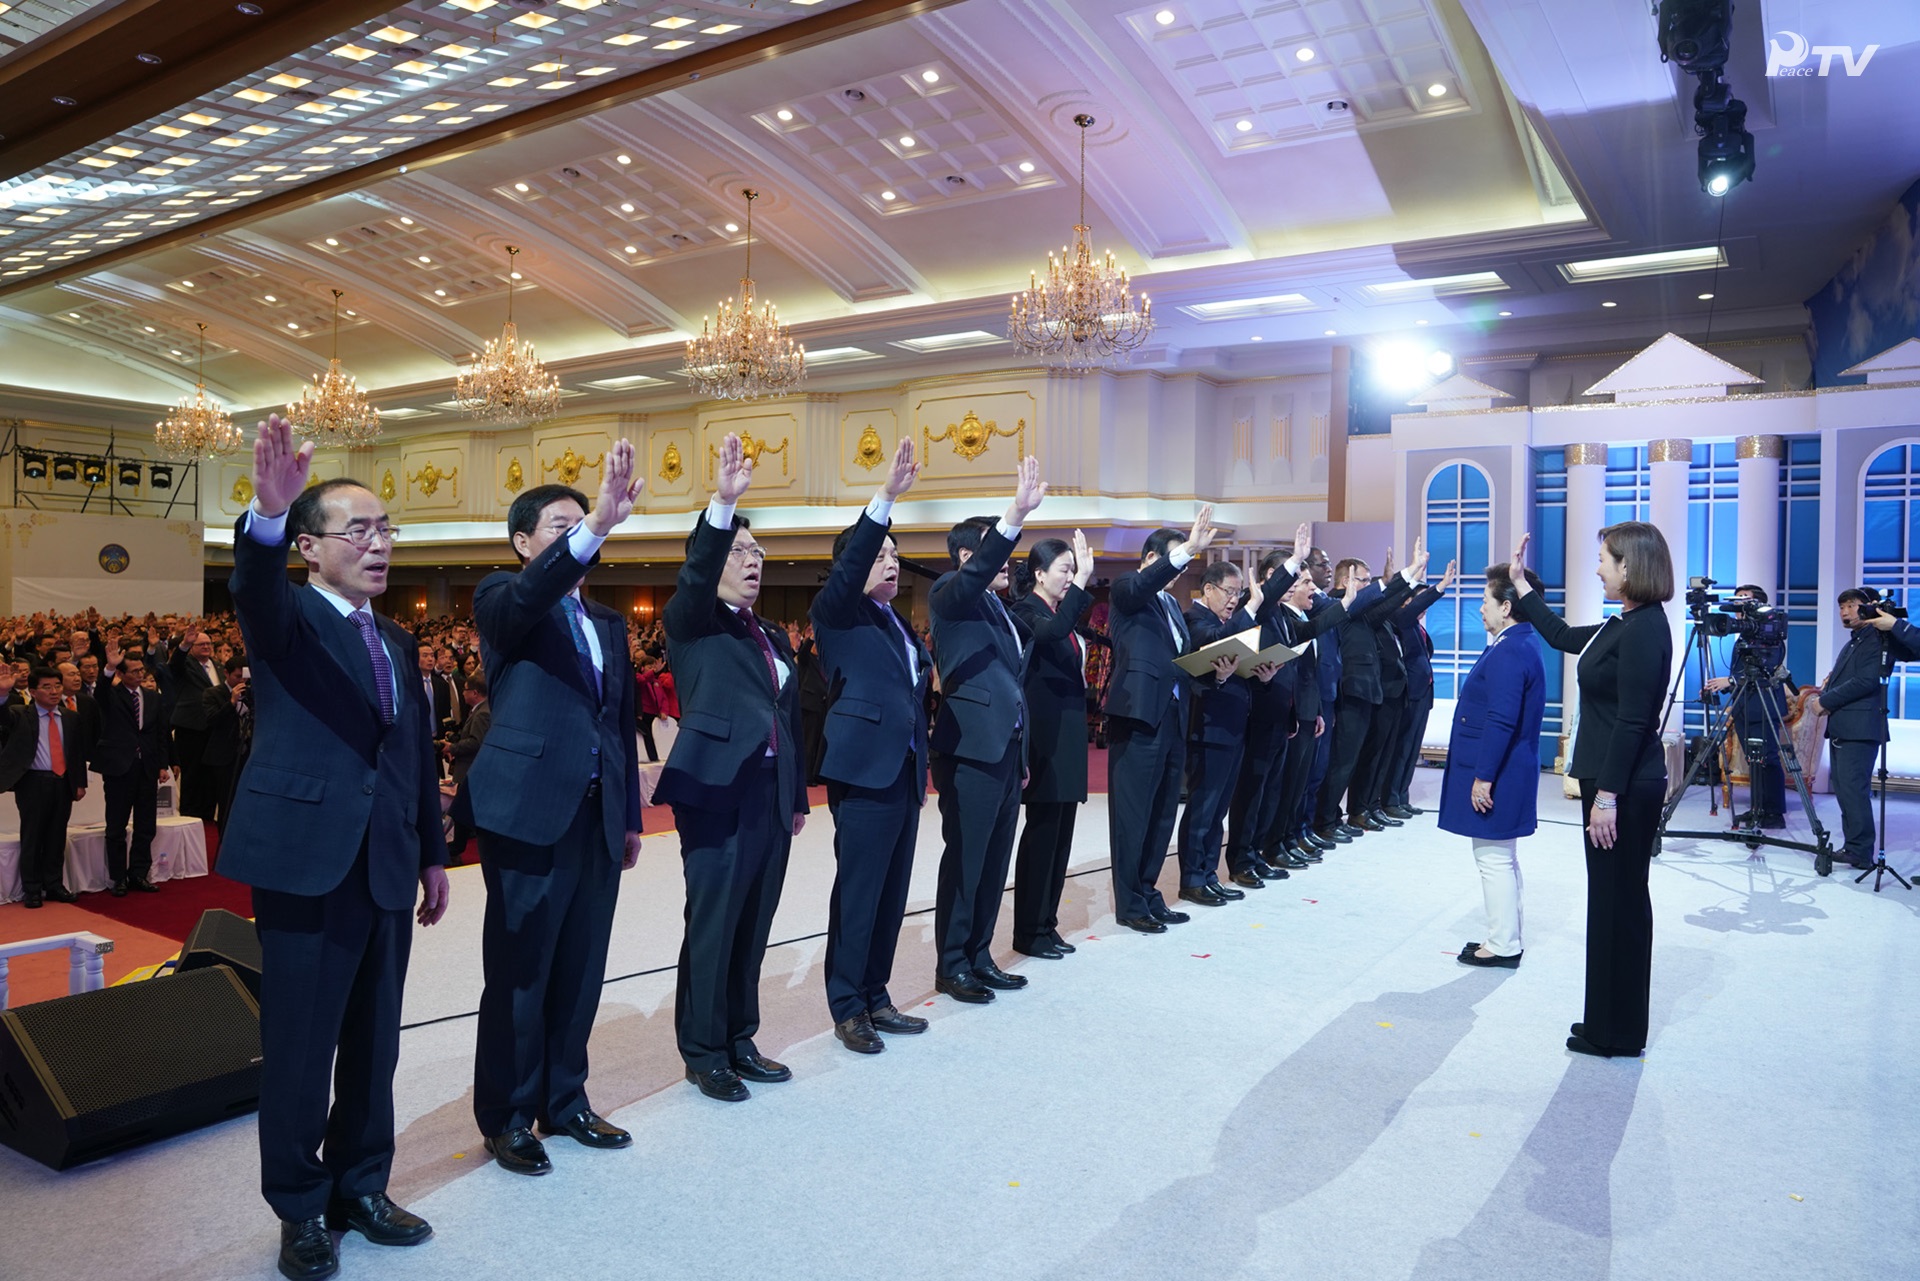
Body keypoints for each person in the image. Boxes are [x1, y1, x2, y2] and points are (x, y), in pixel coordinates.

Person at [220, 416, 450, 1281]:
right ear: (310, 549)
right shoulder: (284, 620)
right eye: (359, 530)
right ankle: (299, 1207)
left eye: (386, 529)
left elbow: (411, 756)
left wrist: (431, 849)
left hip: (387, 861)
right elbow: (253, 586)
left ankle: (362, 1185)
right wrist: (266, 517)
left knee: (374, 1044)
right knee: (301, 1048)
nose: (379, 543)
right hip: (305, 860)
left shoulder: (394, 637)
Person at [467, 447, 646, 1175]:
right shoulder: (502, 599)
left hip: (598, 811)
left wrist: (630, 813)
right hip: (529, 812)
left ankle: (564, 1099)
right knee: (520, 970)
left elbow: (620, 718)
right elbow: (532, 596)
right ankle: (507, 1115)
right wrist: (596, 524)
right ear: (522, 543)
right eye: (560, 525)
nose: (576, 534)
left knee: (580, 965)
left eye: (582, 523)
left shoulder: (606, 621)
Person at [656, 433, 808, 1103]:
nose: (754, 563)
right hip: (717, 791)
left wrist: (796, 793)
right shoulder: (692, 619)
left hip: (768, 795)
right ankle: (703, 1048)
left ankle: (741, 1036)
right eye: (741, 551)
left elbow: (786, 718)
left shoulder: (769, 633)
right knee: (714, 919)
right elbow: (695, 578)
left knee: (755, 918)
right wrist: (723, 506)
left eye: (759, 554)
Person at [1509, 523, 1673, 1060]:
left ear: (1630, 567)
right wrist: (1522, 587)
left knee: (1621, 905)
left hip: (1624, 788)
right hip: (1614, 784)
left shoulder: (1647, 628)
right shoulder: (1621, 625)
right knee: (1608, 904)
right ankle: (1605, 1024)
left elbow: (1632, 721)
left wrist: (1607, 797)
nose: (1597, 567)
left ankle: (1620, 1033)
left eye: (1603, 558)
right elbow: (1558, 636)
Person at [811, 438, 936, 1052]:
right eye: (878, 553)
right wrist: (884, 500)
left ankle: (877, 994)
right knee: (859, 890)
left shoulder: (894, 623)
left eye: (895, 554)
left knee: (891, 891)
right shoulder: (837, 612)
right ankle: (847, 1004)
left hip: (905, 771)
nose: (890, 561)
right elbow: (854, 560)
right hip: (864, 770)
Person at [927, 457, 1048, 1002]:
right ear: (968, 556)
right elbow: (977, 573)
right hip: (970, 751)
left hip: (1004, 751)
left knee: (995, 861)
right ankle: (952, 963)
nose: (1009, 562)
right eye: (996, 551)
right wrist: (1014, 515)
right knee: (968, 858)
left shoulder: (1001, 609)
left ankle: (979, 954)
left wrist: (1021, 758)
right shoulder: (952, 591)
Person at [1103, 507, 1222, 933]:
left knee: (1161, 813)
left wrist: (1214, 670)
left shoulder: (1172, 603)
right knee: (1133, 815)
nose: (1182, 568)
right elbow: (1140, 587)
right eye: (1177, 559)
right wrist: (1188, 548)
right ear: (1151, 560)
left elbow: (1180, 659)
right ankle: (1130, 903)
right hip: (1138, 716)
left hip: (1173, 715)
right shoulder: (1127, 589)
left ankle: (1149, 893)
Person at [1438, 564, 1547, 968]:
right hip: (1510, 766)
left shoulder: (1512, 648)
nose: (1479, 609)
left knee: (1494, 859)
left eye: (1485, 601)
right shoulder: (1518, 642)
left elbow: (1501, 719)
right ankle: (1505, 938)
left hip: (1501, 770)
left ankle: (1502, 945)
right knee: (1501, 856)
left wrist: (1483, 777)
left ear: (1506, 606)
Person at [1008, 530, 1096, 958]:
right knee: (1042, 836)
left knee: (1061, 837)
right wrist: (1083, 586)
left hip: (1068, 735)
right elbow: (1053, 633)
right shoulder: (1026, 610)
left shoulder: (1060, 612)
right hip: (1045, 738)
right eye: (1065, 570)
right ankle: (1028, 929)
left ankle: (1046, 923)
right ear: (1039, 573)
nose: (1071, 577)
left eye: (1074, 571)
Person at [1177, 560, 1276, 901]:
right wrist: (1250, 607)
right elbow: (1212, 650)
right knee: (1204, 807)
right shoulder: (1196, 620)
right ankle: (1192, 878)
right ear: (1208, 589)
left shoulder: (1223, 623)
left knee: (1218, 809)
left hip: (1234, 727)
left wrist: (1261, 678)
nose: (1234, 599)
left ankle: (1207, 873)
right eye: (1229, 592)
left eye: (1238, 593)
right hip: (1207, 728)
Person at [1313, 546, 1422, 842]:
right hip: (1350, 692)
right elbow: (1373, 598)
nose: (1366, 585)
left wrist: (1409, 581)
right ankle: (1325, 819)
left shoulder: (1362, 610)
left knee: (1355, 760)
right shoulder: (1338, 603)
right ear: (1343, 582)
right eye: (1361, 580)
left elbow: (1388, 605)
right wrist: (1402, 575)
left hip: (1367, 692)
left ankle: (1341, 814)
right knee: (1341, 763)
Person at [1806, 588, 1920, 871]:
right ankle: (1855, 847)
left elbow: (1867, 681)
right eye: (1842, 606)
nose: (1845, 612)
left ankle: (1859, 850)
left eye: (1851, 605)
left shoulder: (1876, 637)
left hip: (1860, 726)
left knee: (1853, 790)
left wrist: (1825, 701)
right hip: (1847, 725)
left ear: (1868, 607)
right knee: (1846, 790)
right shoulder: (1856, 640)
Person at [1700, 585, 1793, 828]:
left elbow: (1764, 671)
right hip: (1743, 707)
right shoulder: (1744, 636)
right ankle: (1757, 808)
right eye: (1737, 599)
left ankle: (1773, 813)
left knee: (1767, 760)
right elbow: (1743, 673)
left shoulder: (1770, 636)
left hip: (1763, 707)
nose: (1739, 604)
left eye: (1745, 600)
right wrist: (1721, 686)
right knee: (1754, 761)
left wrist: (1729, 681)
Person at [0, 668, 87, 907]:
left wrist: (80, 783)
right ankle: (32, 889)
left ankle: (54, 885)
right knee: (33, 836)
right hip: (33, 783)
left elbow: (76, 753)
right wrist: (3, 691)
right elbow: (2, 718)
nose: (54, 691)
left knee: (57, 837)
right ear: (33, 691)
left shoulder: (70, 717)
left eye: (57, 686)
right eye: (47, 687)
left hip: (63, 782)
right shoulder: (21, 714)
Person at [93, 653, 174, 897]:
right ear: (120, 673)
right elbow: (100, 691)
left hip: (147, 767)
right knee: (116, 825)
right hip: (119, 767)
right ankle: (118, 877)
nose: (140, 675)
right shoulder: (112, 695)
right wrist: (108, 665)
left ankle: (139, 873)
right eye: (134, 671)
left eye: (142, 671)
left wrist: (162, 765)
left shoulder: (152, 697)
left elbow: (160, 733)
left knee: (146, 824)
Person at [1380, 561, 1456, 818]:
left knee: (1412, 749)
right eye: (1418, 601)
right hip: (1407, 694)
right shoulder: (1400, 619)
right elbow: (1414, 607)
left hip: (1423, 694)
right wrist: (1441, 587)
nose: (1422, 606)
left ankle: (1402, 796)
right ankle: (1390, 799)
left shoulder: (1417, 626)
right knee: (1401, 749)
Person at [167, 629, 221, 818]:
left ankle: (207, 814)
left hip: (215, 727)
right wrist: (184, 645)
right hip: (191, 727)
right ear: (192, 648)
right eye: (201, 644)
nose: (206, 647)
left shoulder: (219, 666)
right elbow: (174, 664)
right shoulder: (186, 664)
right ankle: (189, 814)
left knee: (211, 774)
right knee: (192, 774)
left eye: (209, 644)